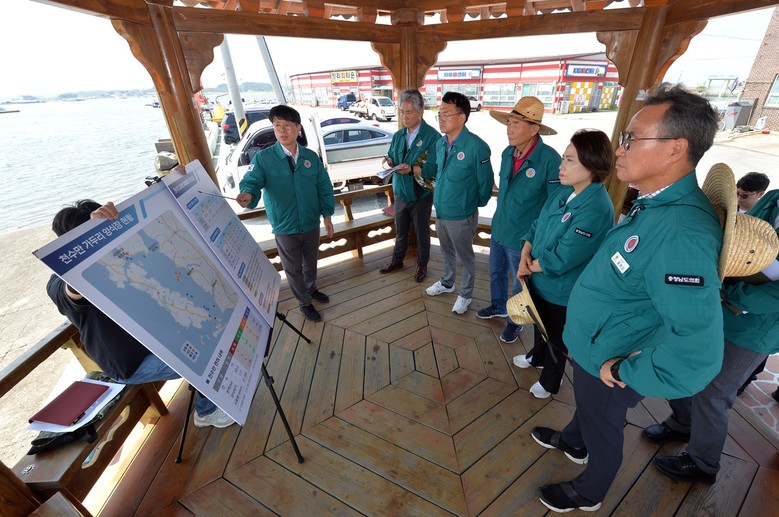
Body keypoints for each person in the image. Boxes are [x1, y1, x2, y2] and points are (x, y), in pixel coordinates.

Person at [530, 84, 723, 512]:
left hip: (612, 359)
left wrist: (627, 370)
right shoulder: (656, 205)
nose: (619, 149)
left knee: (603, 424)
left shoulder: (683, 233)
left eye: (631, 139)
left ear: (675, 149)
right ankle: (574, 440)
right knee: (589, 409)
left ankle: (590, 490)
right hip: (594, 344)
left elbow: (698, 351)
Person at [47, 200, 234, 428]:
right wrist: (87, 243)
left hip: (157, 341)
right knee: (206, 359)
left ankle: (213, 395)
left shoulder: (117, 257)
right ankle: (206, 412)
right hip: (131, 364)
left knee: (215, 336)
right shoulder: (58, 283)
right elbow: (72, 291)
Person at [644, 188, 779, 484]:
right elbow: (740, 239)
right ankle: (683, 421)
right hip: (720, 304)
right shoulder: (773, 198)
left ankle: (702, 462)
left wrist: (732, 293)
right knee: (680, 365)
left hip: (757, 327)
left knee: (715, 392)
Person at [514, 129, 614, 399]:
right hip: (537, 276)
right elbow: (537, 223)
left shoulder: (596, 207)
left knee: (556, 336)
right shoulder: (564, 191)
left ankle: (550, 381)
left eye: (570, 160)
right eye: (563, 158)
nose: (561, 165)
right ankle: (537, 356)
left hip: (562, 289)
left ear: (592, 166)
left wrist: (527, 266)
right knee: (539, 322)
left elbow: (564, 256)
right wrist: (525, 252)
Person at [237, 105, 335, 322]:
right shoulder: (263, 158)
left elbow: (324, 187)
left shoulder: (310, 157)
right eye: (277, 126)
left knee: (310, 263)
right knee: (293, 268)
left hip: (310, 222)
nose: (282, 131)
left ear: (298, 128)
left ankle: (311, 288)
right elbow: (251, 182)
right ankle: (305, 302)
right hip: (284, 225)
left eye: (287, 126)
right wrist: (248, 195)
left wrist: (327, 216)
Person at [476, 96, 562, 343]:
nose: (509, 129)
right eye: (509, 122)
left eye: (516, 123)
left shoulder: (550, 160)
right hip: (500, 229)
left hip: (524, 238)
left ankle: (515, 322)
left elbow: (554, 206)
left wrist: (535, 240)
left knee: (520, 284)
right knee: (496, 273)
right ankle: (498, 306)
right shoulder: (507, 153)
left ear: (534, 129)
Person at [425, 92, 493, 315]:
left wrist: (471, 205)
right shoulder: (440, 143)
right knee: (446, 251)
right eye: (439, 114)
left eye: (446, 114)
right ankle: (447, 282)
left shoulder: (476, 146)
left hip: (462, 214)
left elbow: (486, 183)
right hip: (441, 211)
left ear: (462, 117)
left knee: (466, 257)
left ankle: (465, 294)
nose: (441, 118)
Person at [378, 89, 440, 283]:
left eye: (409, 112)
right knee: (400, 231)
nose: (405, 116)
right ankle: (397, 260)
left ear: (421, 111)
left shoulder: (432, 137)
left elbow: (434, 168)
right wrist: (389, 161)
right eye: (402, 112)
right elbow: (391, 156)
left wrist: (412, 169)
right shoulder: (398, 135)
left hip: (421, 194)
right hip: (400, 192)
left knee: (422, 233)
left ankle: (422, 265)